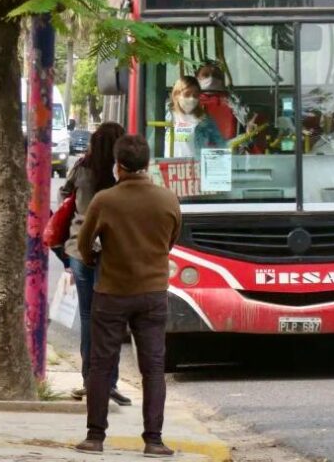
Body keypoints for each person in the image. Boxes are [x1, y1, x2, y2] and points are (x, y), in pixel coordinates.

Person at [76, 135, 181, 456]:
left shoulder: (105, 200)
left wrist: (96, 260)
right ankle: (154, 439)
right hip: (152, 294)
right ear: (147, 165)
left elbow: (83, 244)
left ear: (118, 166)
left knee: (101, 364)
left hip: (111, 292)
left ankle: (95, 437)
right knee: (153, 367)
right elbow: (171, 241)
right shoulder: (168, 200)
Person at [59, 122, 131, 407]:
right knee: (112, 320)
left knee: (88, 318)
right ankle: (109, 381)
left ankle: (91, 380)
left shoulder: (82, 168)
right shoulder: (121, 173)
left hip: (80, 249)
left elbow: (64, 195)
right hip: (113, 254)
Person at [165, 76, 225, 159]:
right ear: (176, 94)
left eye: (195, 95)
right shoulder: (166, 117)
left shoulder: (204, 120)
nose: (192, 99)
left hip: (194, 168)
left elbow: (221, 145)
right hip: (167, 167)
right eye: (187, 94)